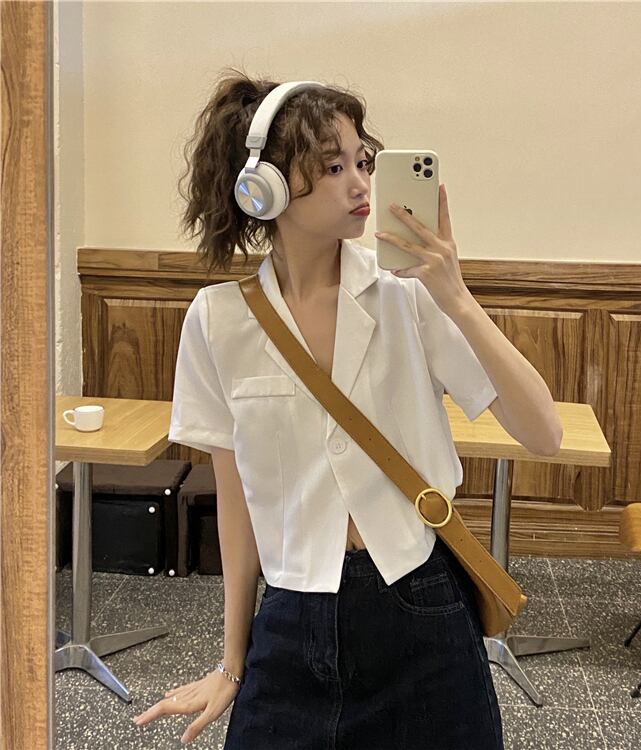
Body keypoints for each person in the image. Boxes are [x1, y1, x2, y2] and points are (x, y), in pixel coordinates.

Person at [132, 69, 562, 748]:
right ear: (264, 187)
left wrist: (454, 293)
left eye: (364, 161)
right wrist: (232, 663)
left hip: (419, 602)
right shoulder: (217, 321)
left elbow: (543, 433)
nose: (362, 184)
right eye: (334, 167)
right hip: (290, 617)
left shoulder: (407, 296)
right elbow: (237, 504)